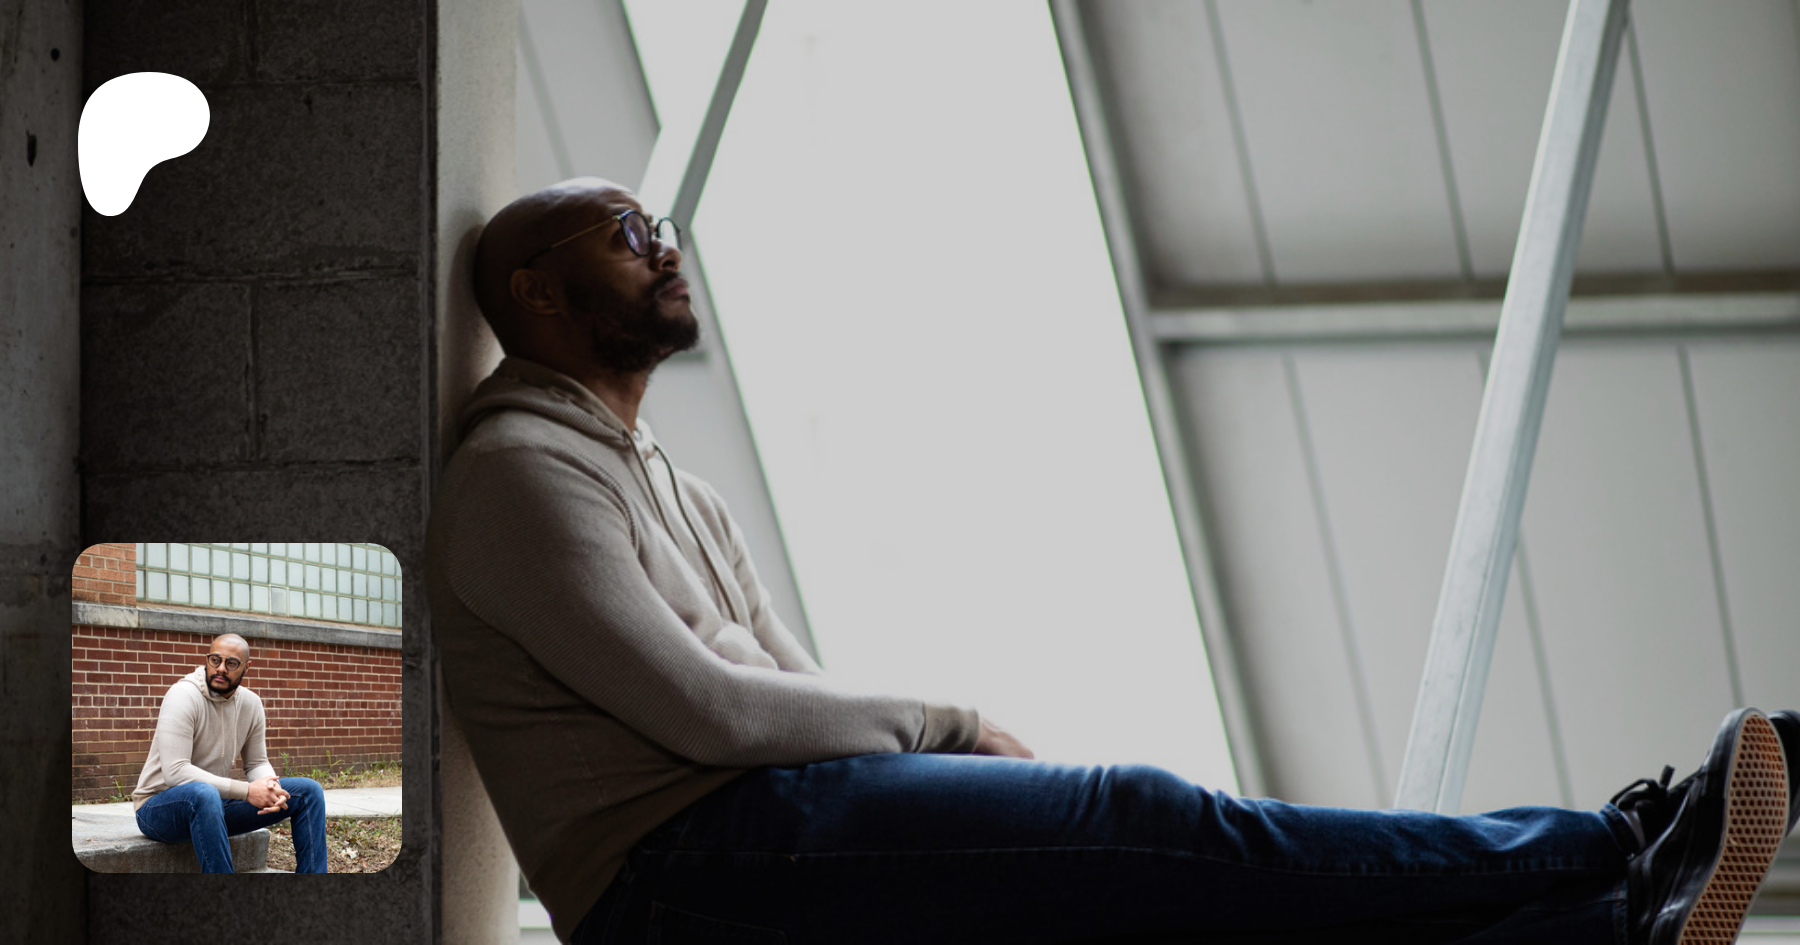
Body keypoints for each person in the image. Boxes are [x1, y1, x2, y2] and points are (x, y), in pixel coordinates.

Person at [426, 177, 1798, 944]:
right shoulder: (516, 474)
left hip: (765, 843)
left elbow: (795, 692)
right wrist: (953, 722)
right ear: (536, 293)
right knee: (1149, 824)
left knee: (1163, 888)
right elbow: (717, 714)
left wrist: (932, 750)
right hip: (678, 884)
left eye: (661, 228)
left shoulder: (666, 476)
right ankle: (1623, 845)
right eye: (628, 236)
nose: (665, 251)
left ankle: (1607, 924)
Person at [131, 632, 327, 873]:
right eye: (215, 660)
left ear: (246, 667)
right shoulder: (182, 695)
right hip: (157, 809)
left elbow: (256, 762)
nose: (221, 668)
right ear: (207, 659)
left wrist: (270, 786)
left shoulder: (251, 703)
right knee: (205, 793)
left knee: (308, 792)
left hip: (212, 806)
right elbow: (176, 772)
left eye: (231, 663)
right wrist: (247, 791)